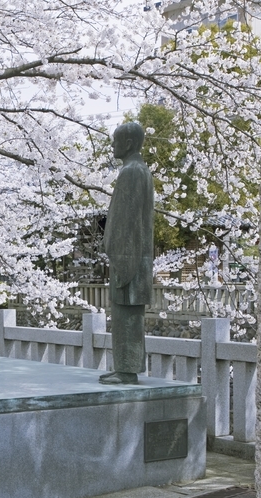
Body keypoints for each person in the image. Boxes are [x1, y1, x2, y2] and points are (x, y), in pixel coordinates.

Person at [99, 121, 154, 385]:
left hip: (129, 259)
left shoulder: (132, 172)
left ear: (129, 143)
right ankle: (124, 366)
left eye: (116, 140)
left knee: (127, 316)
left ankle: (127, 369)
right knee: (125, 317)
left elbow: (126, 222)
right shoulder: (138, 170)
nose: (112, 145)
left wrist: (119, 255)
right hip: (132, 258)